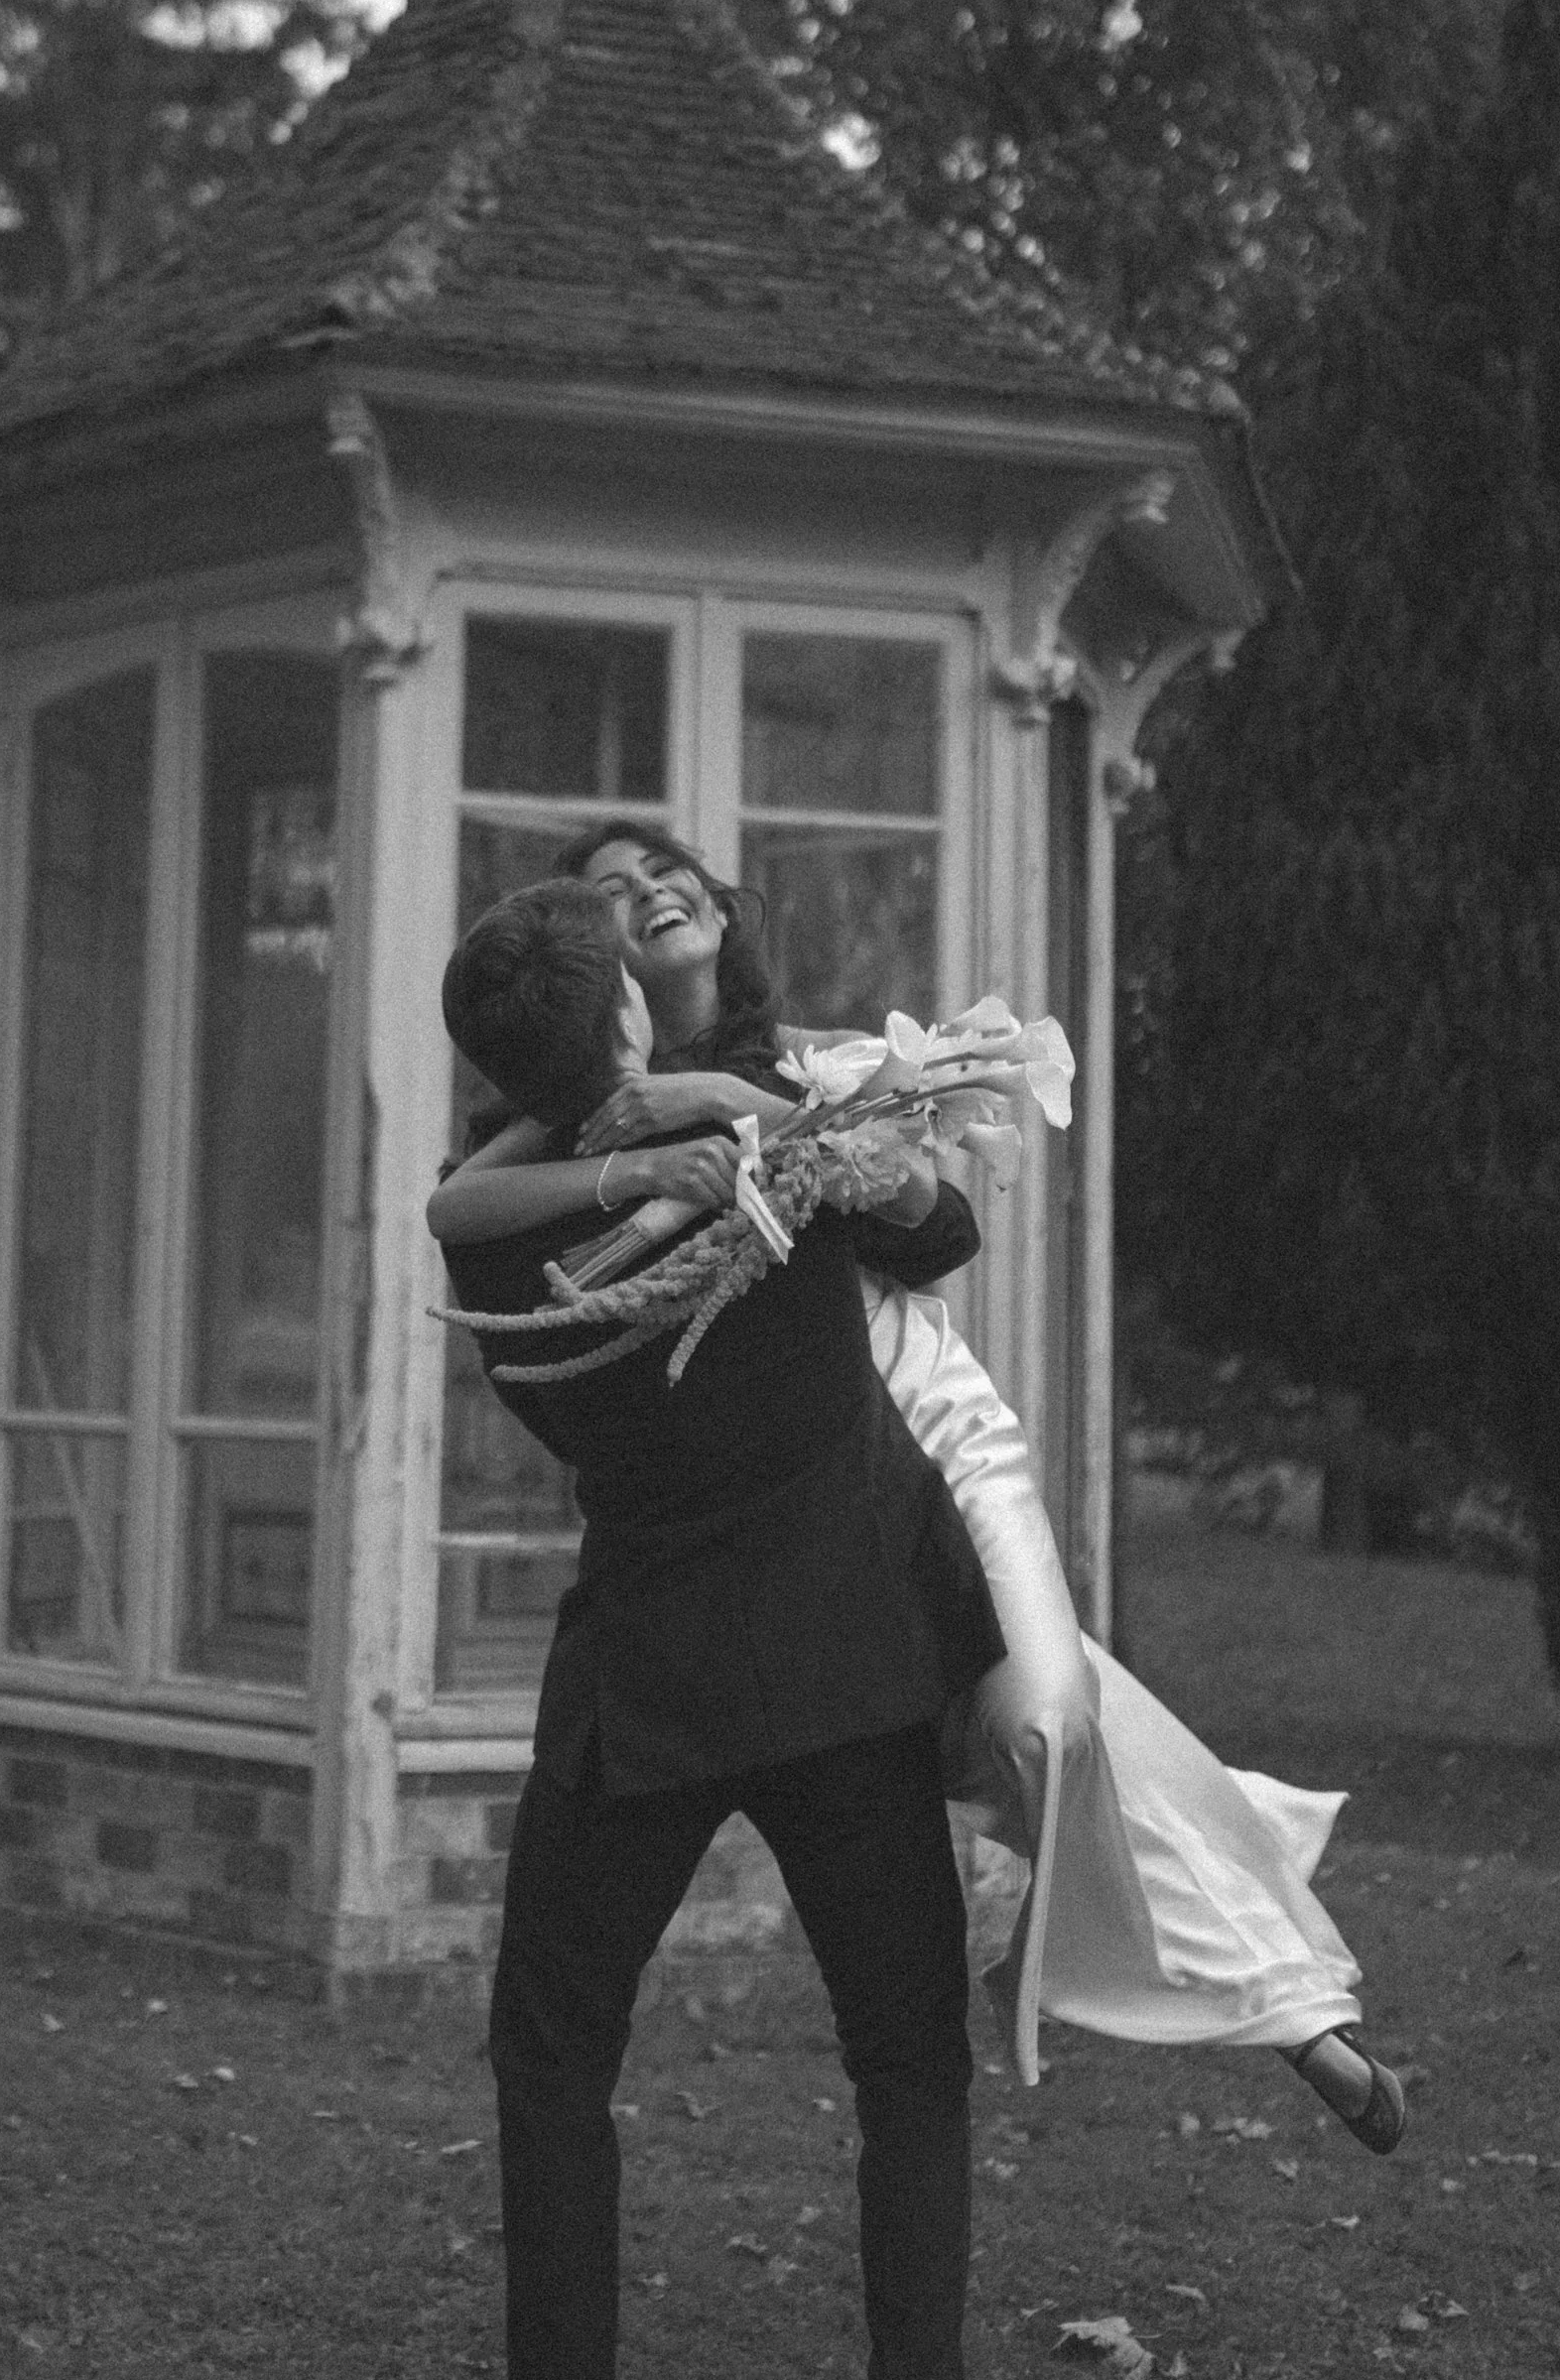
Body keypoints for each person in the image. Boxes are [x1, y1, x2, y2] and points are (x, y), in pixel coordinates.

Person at [429, 822, 1405, 2148]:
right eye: (612, 894)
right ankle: (1248, 1983)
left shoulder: (811, 1070)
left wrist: (726, 1106)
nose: (650, 893)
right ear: (600, 980)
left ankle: (1237, 1988)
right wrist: (636, 1148)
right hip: (815, 1507)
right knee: (1032, 1736)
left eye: (671, 877)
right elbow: (462, 1220)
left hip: (927, 1424)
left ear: (720, 915)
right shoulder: (553, 1137)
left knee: (1050, 1717)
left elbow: (942, 1231)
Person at [415, 877, 1069, 2380]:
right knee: (905, 2060)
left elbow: (468, 1191)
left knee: (555, 2051)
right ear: (624, 1019)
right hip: (847, 1667)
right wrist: (849, 1158)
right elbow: (938, 1241)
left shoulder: (494, 1230)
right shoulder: (773, 1154)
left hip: (651, 1684)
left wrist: (709, 1132)